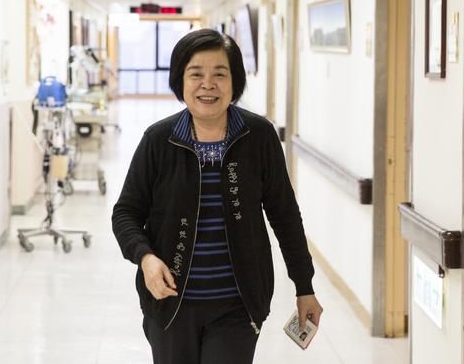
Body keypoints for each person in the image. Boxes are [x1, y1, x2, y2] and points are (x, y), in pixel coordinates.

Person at [112, 29, 323, 363]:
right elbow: (126, 213)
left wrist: (304, 285)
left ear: (234, 81)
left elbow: (284, 215)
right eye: (196, 74)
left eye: (219, 74)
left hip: (238, 306)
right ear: (180, 80)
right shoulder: (159, 139)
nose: (207, 85)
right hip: (170, 303)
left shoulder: (258, 136)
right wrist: (146, 258)